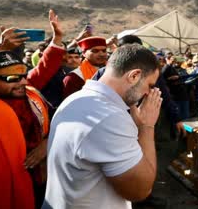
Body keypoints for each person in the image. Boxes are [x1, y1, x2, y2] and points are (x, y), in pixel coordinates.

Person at [44, 45, 161, 209]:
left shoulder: (78, 98)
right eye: (150, 85)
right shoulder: (109, 116)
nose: (149, 93)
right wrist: (147, 126)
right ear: (134, 76)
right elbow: (140, 190)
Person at [0, 10, 65, 208]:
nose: (21, 82)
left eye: (23, 76)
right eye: (11, 79)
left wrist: (46, 144)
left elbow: (44, 68)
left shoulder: (28, 92)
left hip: (40, 177)